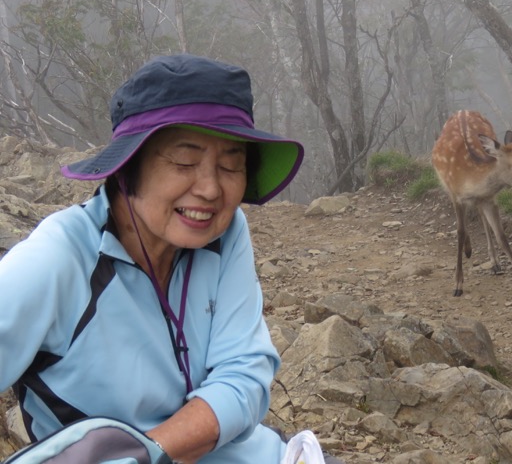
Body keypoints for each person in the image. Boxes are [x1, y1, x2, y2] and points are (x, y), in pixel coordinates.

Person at [0, 54, 312, 463]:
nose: (210, 189)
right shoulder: (59, 260)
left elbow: (245, 373)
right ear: (128, 167)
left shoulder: (225, 234)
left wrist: (147, 452)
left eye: (231, 165)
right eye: (184, 162)